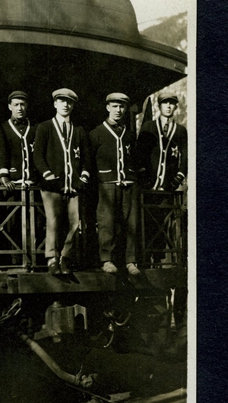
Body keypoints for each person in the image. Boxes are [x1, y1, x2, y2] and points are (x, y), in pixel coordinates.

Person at [33, 88, 91, 275]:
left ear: (73, 105)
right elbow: (38, 155)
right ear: (55, 104)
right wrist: (47, 174)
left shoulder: (79, 130)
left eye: (69, 102)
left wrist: (83, 176)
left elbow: (87, 159)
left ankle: (64, 258)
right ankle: (51, 259)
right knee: (53, 222)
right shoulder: (45, 127)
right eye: (61, 101)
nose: (65, 105)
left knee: (75, 224)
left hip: (73, 186)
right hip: (52, 186)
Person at [89, 93, 140, 275]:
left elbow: (134, 158)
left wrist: (133, 177)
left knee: (130, 223)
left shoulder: (129, 134)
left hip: (128, 184)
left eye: (121, 107)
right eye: (115, 106)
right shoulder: (97, 133)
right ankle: (107, 260)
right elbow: (90, 161)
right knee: (107, 223)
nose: (118, 110)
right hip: (107, 185)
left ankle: (130, 261)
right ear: (107, 107)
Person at [0, 91, 39, 262]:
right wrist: (5, 176)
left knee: (36, 223)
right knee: (12, 223)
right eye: (16, 105)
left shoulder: (35, 128)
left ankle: (34, 260)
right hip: (13, 183)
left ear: (26, 106)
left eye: (22, 105)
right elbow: (2, 153)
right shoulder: (3, 128)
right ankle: (14, 259)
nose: (19, 108)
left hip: (33, 183)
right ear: (9, 107)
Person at [135, 90, 187, 192]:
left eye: (171, 103)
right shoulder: (149, 126)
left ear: (176, 107)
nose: (168, 106)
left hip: (169, 185)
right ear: (159, 106)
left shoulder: (181, 130)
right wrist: (143, 176)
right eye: (165, 102)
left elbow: (186, 156)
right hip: (148, 184)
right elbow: (139, 153)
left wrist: (178, 178)